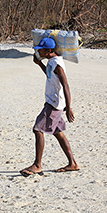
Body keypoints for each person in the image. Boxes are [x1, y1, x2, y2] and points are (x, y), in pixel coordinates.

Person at [20, 37, 79, 177]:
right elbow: (49, 74)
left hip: (54, 103)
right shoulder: (52, 61)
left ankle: (37, 165)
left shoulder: (57, 63)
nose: (38, 51)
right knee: (58, 132)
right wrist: (39, 64)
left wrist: (69, 107)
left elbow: (65, 85)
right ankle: (72, 163)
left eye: (40, 50)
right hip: (55, 102)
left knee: (37, 129)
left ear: (48, 51)